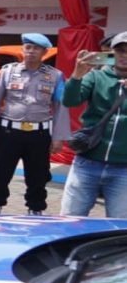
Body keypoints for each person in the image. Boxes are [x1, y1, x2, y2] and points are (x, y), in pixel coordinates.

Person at [0, 33, 67, 215]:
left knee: (39, 175)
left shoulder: (55, 76)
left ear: (45, 52)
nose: (31, 51)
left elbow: (60, 107)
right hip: (8, 132)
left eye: (36, 48)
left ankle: (36, 209)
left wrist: (58, 138)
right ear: (23, 49)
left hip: (38, 134)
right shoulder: (7, 72)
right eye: (28, 47)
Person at [60, 35, 127, 217]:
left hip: (123, 169)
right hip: (87, 163)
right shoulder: (96, 77)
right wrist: (77, 75)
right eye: (121, 51)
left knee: (119, 226)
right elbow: (69, 100)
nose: (125, 56)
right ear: (111, 52)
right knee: (70, 219)